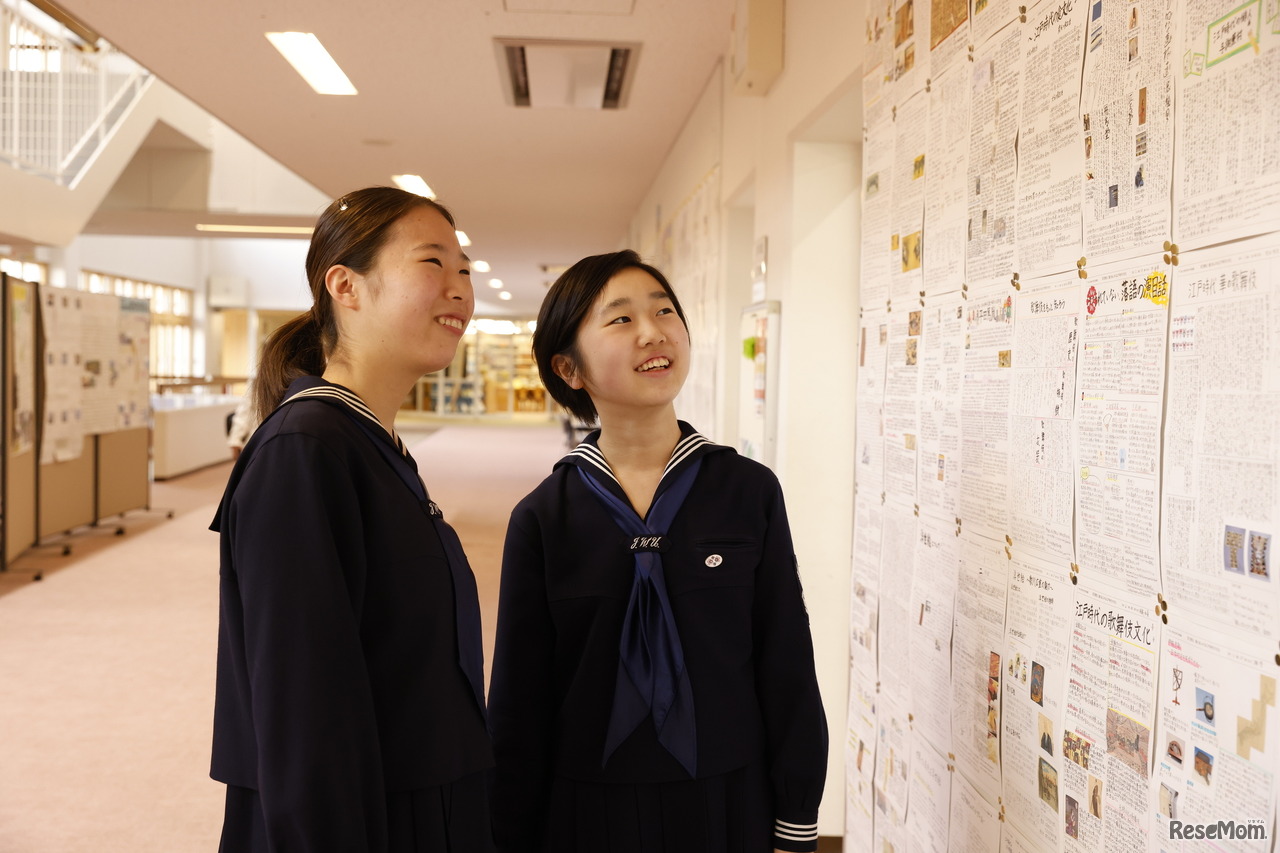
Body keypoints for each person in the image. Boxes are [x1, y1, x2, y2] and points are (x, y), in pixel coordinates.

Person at [488, 250, 828, 853]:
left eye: (664, 310)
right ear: (570, 368)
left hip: (728, 797)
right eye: (620, 320)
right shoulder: (543, 518)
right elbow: (520, 699)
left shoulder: (747, 492)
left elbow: (786, 661)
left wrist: (796, 817)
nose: (653, 331)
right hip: (587, 807)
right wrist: (513, 830)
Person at [209, 186, 493, 852]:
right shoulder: (304, 450)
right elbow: (304, 715)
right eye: (433, 264)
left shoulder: (368, 443)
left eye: (465, 271)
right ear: (346, 285)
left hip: (424, 801)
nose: (459, 289)